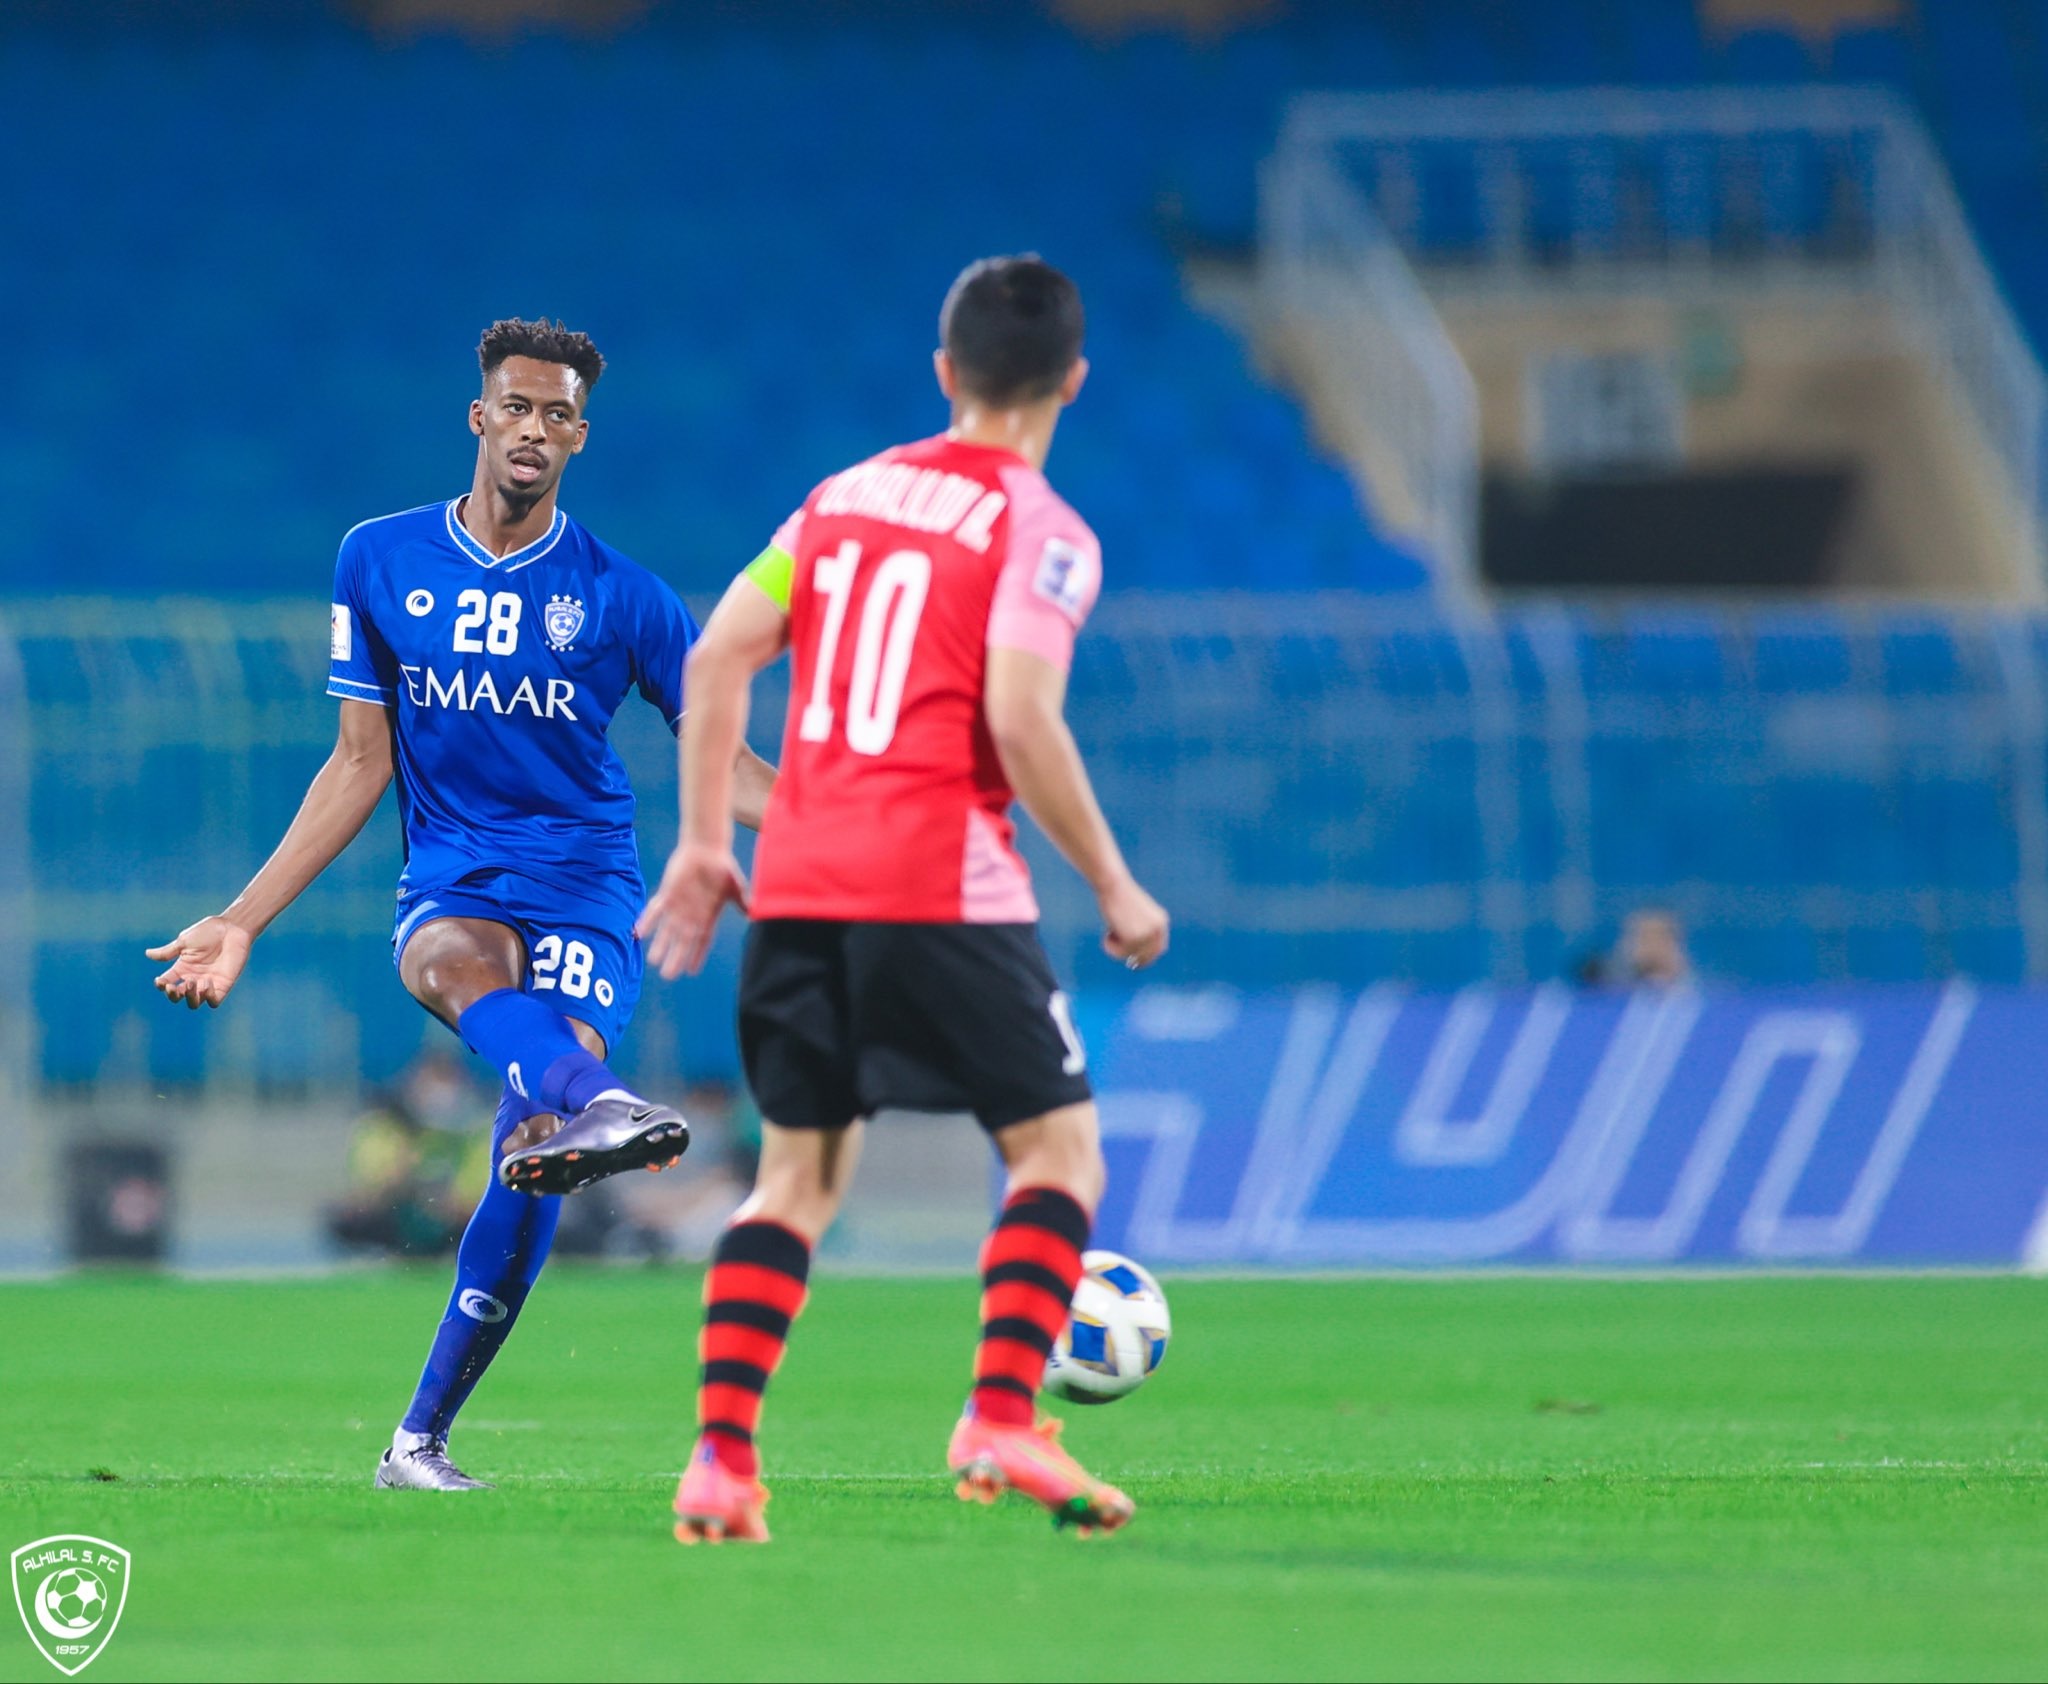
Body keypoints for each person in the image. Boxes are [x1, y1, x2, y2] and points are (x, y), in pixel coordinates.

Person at [146, 318, 775, 1490]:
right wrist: (241, 918)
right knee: (439, 957)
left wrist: (829, 831)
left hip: (586, 886)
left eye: (557, 415)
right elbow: (355, 761)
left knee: (534, 1147)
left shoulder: (624, 599)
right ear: (478, 416)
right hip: (455, 871)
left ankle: (415, 1438)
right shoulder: (377, 560)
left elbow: (720, 756)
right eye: (515, 406)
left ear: (579, 437)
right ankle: (602, 1100)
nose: (533, 429)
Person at [622, 255, 1170, 1543]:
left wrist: (705, 840)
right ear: (1070, 383)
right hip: (942, 882)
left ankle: (719, 1463)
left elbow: (715, 657)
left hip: (802, 884)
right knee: (1055, 1153)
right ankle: (994, 1414)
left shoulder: (842, 496)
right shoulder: (1044, 533)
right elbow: (1021, 720)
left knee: (796, 1181)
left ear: (945, 372)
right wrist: (1112, 879)